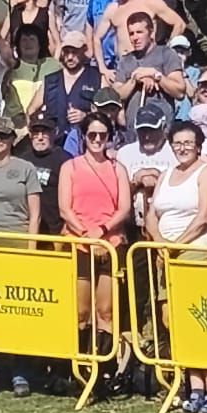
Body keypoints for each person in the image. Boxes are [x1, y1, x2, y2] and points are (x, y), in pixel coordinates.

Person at [148, 121, 207, 409]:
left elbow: (204, 215)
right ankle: (192, 385)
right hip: (166, 252)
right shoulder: (165, 175)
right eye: (178, 142)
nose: (183, 147)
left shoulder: (205, 171)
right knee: (171, 319)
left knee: (201, 320)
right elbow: (152, 213)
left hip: (194, 251)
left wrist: (177, 246)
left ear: (198, 144)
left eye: (188, 142)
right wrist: (161, 242)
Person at [59, 112, 130, 349]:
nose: (97, 139)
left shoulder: (117, 168)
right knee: (80, 310)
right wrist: (86, 235)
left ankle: (104, 369)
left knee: (106, 310)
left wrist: (102, 231)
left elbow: (124, 208)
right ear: (84, 136)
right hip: (79, 243)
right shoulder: (70, 167)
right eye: (92, 134)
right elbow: (65, 209)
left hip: (110, 244)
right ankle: (79, 365)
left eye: (103, 135)